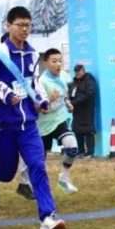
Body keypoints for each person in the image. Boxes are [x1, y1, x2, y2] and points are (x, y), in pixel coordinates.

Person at [0, 6, 66, 229]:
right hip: (2, 124)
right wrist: (4, 93)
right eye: (20, 25)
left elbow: (33, 82)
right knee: (6, 172)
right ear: (8, 26)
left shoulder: (33, 54)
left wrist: (41, 100)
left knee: (37, 165)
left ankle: (48, 217)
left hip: (28, 124)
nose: (25, 29)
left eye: (28, 25)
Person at [36, 49, 80, 194]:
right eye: (54, 61)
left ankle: (64, 178)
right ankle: (37, 187)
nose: (58, 64)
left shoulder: (64, 76)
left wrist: (67, 103)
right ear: (45, 63)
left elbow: (64, 93)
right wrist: (49, 100)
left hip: (59, 121)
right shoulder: (41, 82)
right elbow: (43, 109)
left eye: (60, 61)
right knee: (39, 163)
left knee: (72, 147)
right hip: (42, 127)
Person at [69, 64, 97, 158]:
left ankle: (90, 152)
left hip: (87, 110)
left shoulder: (89, 81)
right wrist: (69, 101)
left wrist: (74, 102)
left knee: (88, 131)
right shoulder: (74, 82)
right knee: (77, 130)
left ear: (83, 71)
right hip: (76, 110)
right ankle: (80, 151)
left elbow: (88, 95)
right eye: (76, 71)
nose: (77, 73)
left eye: (79, 71)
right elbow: (70, 93)